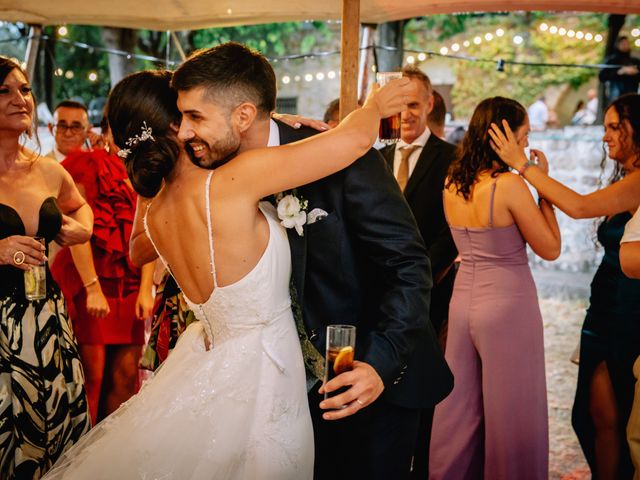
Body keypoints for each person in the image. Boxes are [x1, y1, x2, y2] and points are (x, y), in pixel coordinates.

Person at [43, 64, 415, 479]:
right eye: (187, 115)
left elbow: (136, 252)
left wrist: (267, 120)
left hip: (214, 364)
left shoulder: (155, 213)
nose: (190, 126)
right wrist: (375, 105)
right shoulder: (234, 180)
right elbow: (354, 139)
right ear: (175, 125)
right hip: (268, 373)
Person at [168, 43, 453, 480]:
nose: (184, 132)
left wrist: (379, 363)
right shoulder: (211, 175)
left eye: (195, 117)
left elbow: (408, 266)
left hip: (368, 383)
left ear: (244, 116)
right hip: (279, 395)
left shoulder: (339, 156)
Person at [490, 93, 640, 480]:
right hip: (604, 304)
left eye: (613, 128)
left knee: (612, 415)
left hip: (630, 309)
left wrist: (523, 166)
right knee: (589, 416)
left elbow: (578, 206)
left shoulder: (639, 182)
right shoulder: (625, 176)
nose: (605, 136)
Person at [430, 96, 561, 479]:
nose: (525, 146)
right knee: (514, 414)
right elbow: (550, 248)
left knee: (458, 411)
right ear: (503, 136)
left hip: (463, 302)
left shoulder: (453, 181)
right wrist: (544, 193)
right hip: (507, 305)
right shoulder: (509, 187)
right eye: (523, 137)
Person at [0, 56, 92, 478]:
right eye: (4, 91)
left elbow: (82, 208)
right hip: (1, 327)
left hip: (48, 318)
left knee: (54, 431)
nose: (20, 99)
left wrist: (79, 230)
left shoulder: (49, 171)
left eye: (23, 89)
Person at [378, 66, 457, 478]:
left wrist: (417, 276)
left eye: (413, 104)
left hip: (432, 291)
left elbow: (451, 230)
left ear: (429, 104)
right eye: (400, 104)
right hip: (379, 295)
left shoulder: (451, 158)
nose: (406, 113)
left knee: (423, 382)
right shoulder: (376, 156)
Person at [50, 119, 155, 424]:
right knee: (90, 378)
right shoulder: (86, 164)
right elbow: (76, 228)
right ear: (107, 131)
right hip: (91, 283)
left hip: (132, 283)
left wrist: (146, 286)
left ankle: (107, 455)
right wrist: (92, 287)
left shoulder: (148, 170)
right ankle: (80, 456)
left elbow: (147, 232)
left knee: (125, 378)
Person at [600, 36, 640, 103]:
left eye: (626, 43)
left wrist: (636, 72)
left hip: (632, 96)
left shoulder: (635, 61)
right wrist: (619, 72)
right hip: (616, 97)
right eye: (622, 44)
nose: (625, 45)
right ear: (617, 45)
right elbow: (602, 76)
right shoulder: (612, 61)